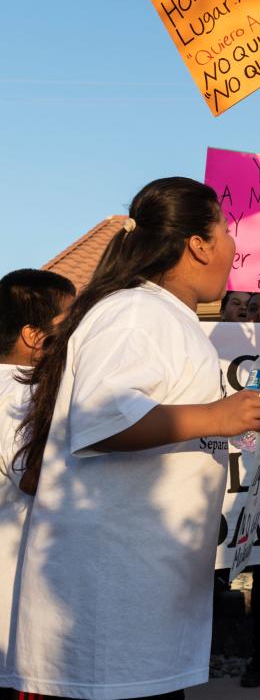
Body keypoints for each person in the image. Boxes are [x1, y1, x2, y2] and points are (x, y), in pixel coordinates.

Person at [8, 178, 260, 700]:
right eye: (224, 229)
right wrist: (217, 417)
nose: (233, 244)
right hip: (110, 617)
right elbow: (104, 418)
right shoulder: (136, 311)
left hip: (139, 605)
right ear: (198, 244)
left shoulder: (158, 314)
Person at [0, 269, 75, 700]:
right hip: (20, 619)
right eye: (70, 322)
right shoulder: (29, 397)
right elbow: (35, 481)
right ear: (33, 335)